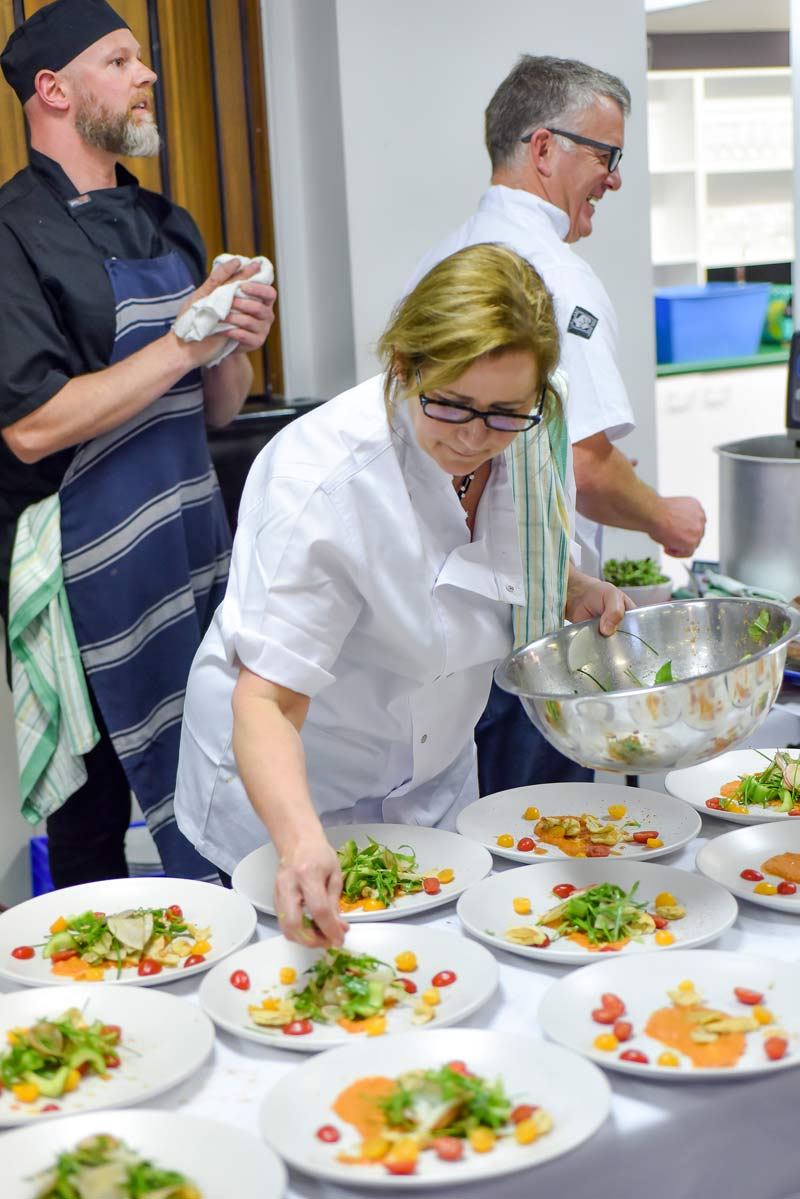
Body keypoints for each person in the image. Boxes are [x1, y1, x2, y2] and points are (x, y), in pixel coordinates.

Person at [174, 243, 630, 946]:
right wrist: (299, 843)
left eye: (506, 411)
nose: (477, 437)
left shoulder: (536, 437)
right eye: (451, 405)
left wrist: (567, 585)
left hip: (435, 781)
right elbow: (267, 699)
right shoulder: (321, 482)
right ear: (403, 366)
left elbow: (485, 558)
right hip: (297, 788)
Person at [0, 0, 276, 886]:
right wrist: (185, 340)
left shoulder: (167, 221)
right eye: (120, 60)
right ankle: (96, 1006)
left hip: (191, 549)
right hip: (88, 575)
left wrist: (233, 339)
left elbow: (217, 411)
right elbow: (33, 423)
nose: (147, 74)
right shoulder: (10, 236)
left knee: (212, 764)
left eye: (142, 59)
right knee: (95, 807)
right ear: (53, 90)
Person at [408, 55, 706, 796]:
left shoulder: (441, 262)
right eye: (606, 156)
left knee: (473, 824)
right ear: (544, 149)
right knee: (543, 834)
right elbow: (587, 463)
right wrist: (669, 518)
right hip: (531, 625)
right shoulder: (554, 273)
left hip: (441, 621)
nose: (614, 178)